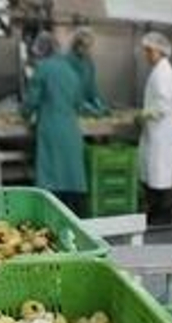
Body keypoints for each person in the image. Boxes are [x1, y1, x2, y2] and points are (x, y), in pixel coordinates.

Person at [23, 33, 88, 216]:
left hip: (51, 128)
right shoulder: (70, 69)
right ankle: (77, 217)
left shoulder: (43, 68)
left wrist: (24, 113)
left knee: (52, 176)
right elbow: (79, 103)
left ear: (41, 51)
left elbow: (31, 101)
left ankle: (52, 215)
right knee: (72, 175)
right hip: (71, 129)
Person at [139, 32, 172, 226]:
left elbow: (164, 105)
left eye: (149, 51)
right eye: (146, 51)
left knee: (159, 174)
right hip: (159, 131)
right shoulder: (162, 69)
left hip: (160, 132)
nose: (146, 55)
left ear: (160, 51)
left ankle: (162, 215)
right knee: (156, 173)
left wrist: (146, 114)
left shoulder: (163, 72)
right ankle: (156, 212)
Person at [66, 28, 110, 117]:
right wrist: (83, 105)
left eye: (89, 46)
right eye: (84, 46)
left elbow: (92, 88)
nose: (87, 50)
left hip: (85, 112)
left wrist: (98, 102)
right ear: (76, 45)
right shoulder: (67, 62)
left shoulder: (89, 63)